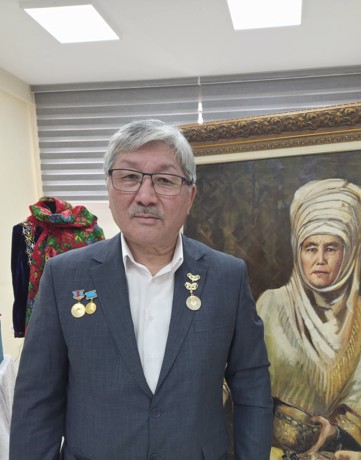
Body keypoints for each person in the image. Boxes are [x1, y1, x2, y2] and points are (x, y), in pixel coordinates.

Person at [10, 119, 273, 460]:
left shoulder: (227, 277)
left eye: (164, 180)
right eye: (130, 177)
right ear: (109, 186)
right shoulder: (64, 276)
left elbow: (251, 385)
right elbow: (36, 399)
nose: (145, 196)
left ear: (190, 196)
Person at [256, 178, 361, 459]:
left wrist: (335, 433)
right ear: (298, 251)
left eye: (331, 248)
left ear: (349, 253)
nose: (320, 258)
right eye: (311, 248)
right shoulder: (271, 304)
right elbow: (244, 376)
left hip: (336, 449)